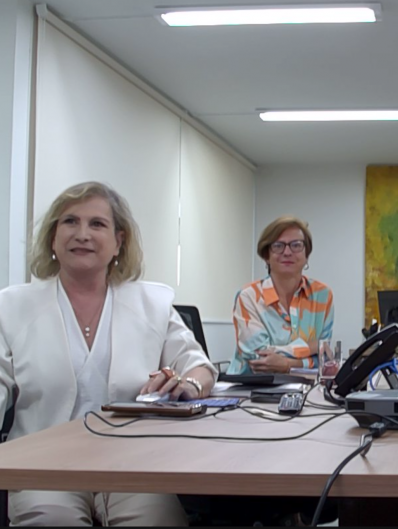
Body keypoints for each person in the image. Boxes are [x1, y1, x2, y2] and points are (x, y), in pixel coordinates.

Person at [0, 181, 216, 526]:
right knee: (52, 521)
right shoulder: (12, 306)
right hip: (43, 466)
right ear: (53, 238)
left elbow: (199, 367)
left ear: (119, 241)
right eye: (70, 221)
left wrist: (187, 384)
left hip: (133, 464)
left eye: (97, 224)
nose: (82, 234)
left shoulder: (152, 303)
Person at [229, 216, 334, 374]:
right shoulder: (249, 297)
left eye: (296, 245)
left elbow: (324, 358)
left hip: (306, 386)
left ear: (306, 255)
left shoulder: (322, 296)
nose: (287, 252)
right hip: (251, 386)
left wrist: (286, 364)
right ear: (267, 256)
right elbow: (258, 358)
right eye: (278, 246)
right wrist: (310, 348)